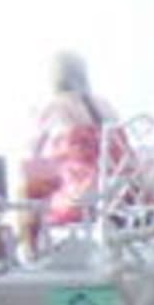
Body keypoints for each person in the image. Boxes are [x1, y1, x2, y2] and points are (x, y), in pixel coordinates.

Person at [27, 50, 123, 229]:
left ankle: (29, 245)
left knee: (33, 200)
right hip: (124, 195)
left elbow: (33, 155)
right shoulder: (105, 104)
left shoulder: (54, 106)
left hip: (84, 199)